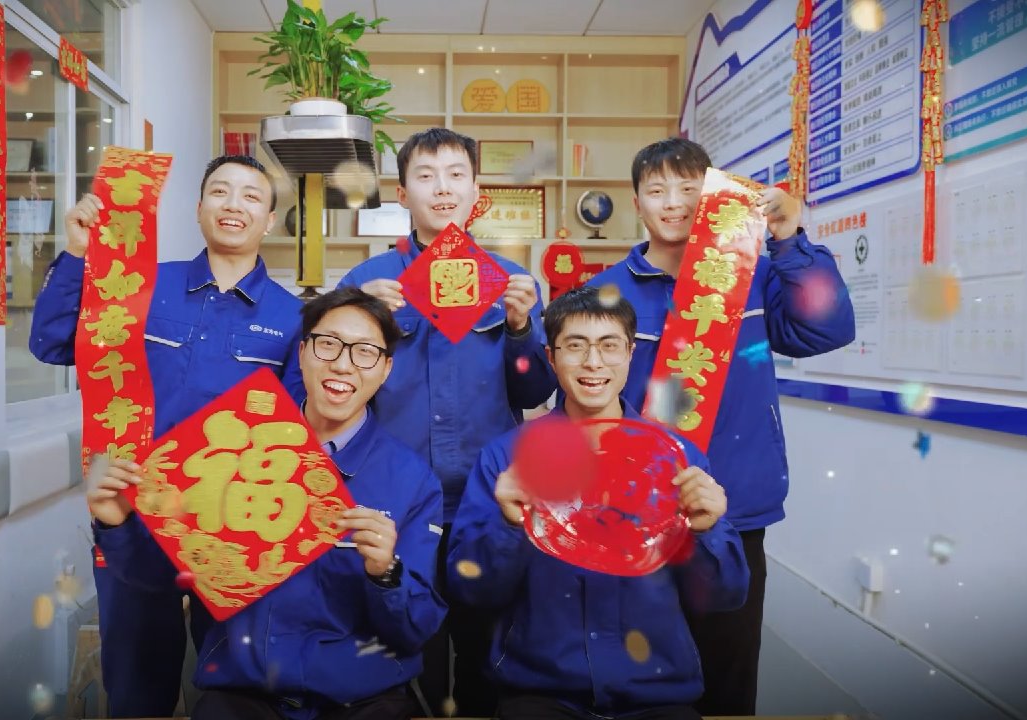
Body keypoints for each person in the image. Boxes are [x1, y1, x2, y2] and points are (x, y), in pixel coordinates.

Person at [586, 137, 856, 715]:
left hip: (732, 510)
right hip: (634, 511)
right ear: (637, 203)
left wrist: (790, 239)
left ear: (710, 196)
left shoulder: (753, 275)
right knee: (633, 672)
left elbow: (825, 329)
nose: (674, 202)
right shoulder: (606, 292)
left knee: (727, 676)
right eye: (657, 190)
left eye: (689, 188)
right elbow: (582, 395)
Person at [87, 287, 447, 720]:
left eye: (365, 352)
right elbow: (163, 580)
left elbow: (416, 629)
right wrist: (117, 526)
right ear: (302, 353)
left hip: (365, 700)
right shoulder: (230, 447)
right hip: (245, 694)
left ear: (386, 369)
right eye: (328, 344)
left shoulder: (413, 480)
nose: (343, 364)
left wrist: (386, 574)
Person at [30, 155, 304, 718]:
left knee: (235, 695)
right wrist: (79, 254)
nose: (234, 205)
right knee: (136, 692)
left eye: (251, 196)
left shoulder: (293, 318)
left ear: (270, 220)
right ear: (198, 208)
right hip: (133, 521)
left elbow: (300, 428)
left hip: (231, 529)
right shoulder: (140, 283)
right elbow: (52, 344)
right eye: (220, 192)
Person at [447, 286, 749, 720]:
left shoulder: (677, 458)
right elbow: (472, 590)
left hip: (657, 693)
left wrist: (707, 532)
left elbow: (725, 595)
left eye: (609, 346)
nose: (593, 362)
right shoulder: (505, 458)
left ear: (629, 354)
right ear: (551, 358)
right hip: (540, 693)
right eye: (575, 346)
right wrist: (509, 524)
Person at [338, 127, 558, 715]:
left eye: (457, 175)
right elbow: (331, 391)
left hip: (486, 502)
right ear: (401, 192)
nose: (442, 188)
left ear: (475, 191)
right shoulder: (366, 282)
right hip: (395, 502)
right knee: (407, 655)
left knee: (488, 653)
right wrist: (360, 316)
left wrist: (521, 329)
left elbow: (535, 389)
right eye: (426, 176)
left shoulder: (509, 280)